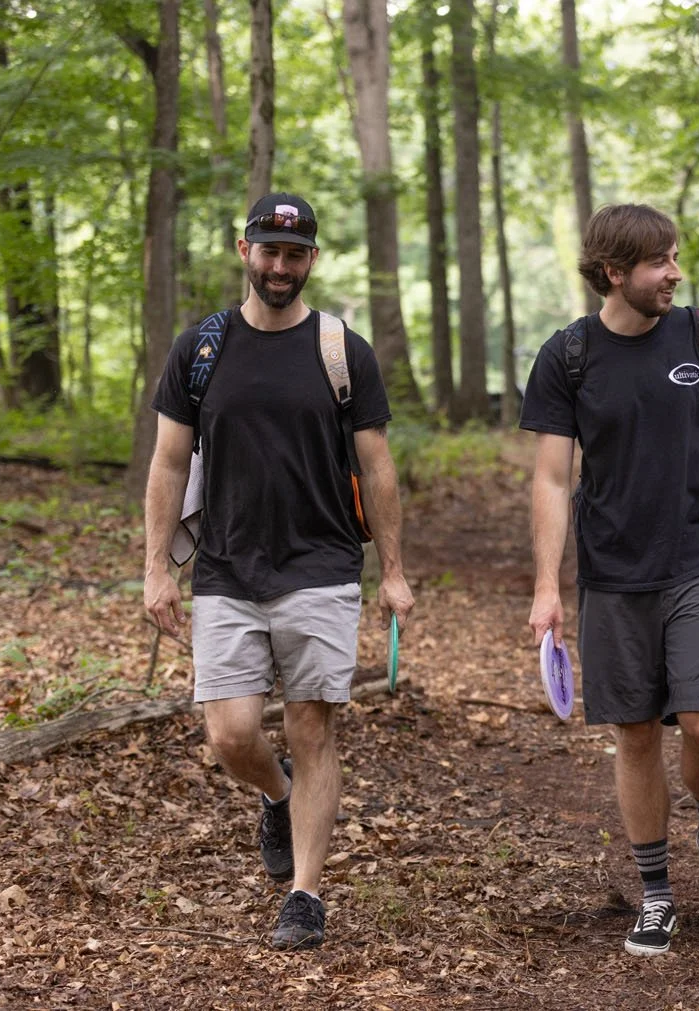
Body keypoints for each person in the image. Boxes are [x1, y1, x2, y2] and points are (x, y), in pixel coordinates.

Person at [521, 203, 699, 957]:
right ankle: (655, 892)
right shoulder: (568, 355)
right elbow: (551, 477)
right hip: (611, 573)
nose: (674, 273)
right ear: (615, 272)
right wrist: (548, 584)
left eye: (675, 258)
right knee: (635, 733)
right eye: (658, 262)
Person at [142, 193, 415, 951]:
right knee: (231, 735)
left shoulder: (340, 350)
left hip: (322, 563)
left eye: (295, 255)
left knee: (310, 724)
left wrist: (391, 571)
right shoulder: (201, 348)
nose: (281, 267)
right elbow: (168, 463)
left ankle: (304, 893)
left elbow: (377, 463)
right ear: (244, 251)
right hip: (226, 568)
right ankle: (277, 794)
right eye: (269, 251)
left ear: (312, 261)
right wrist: (156, 570)